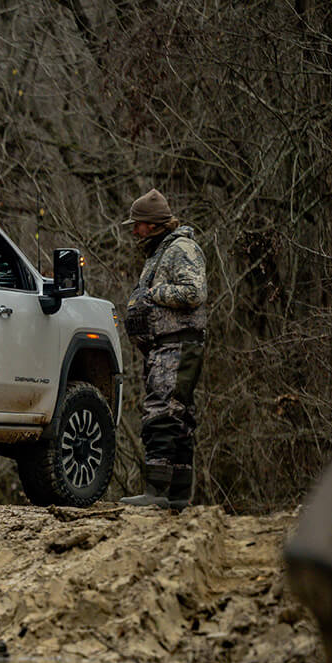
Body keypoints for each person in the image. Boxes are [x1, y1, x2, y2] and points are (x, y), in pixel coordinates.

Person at [119, 189, 208, 511]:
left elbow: (194, 292)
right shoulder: (162, 250)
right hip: (165, 346)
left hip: (177, 344)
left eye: (139, 224)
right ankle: (177, 495)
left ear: (154, 224)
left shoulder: (181, 248)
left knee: (161, 414)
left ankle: (156, 491)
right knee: (180, 417)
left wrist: (153, 293)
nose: (134, 230)